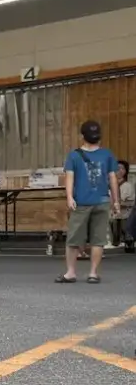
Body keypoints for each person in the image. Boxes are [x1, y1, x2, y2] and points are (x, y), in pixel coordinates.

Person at [55, 120, 120, 284]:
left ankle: (70, 273)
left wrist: (69, 197)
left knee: (73, 239)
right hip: (102, 201)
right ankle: (93, 273)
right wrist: (116, 200)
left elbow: (70, 177)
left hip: (81, 202)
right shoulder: (107, 154)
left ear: (82, 136)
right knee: (98, 240)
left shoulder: (74, 155)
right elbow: (112, 178)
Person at [110, 160, 134, 252]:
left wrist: (118, 204)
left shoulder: (128, 186)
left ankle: (127, 240)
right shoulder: (108, 185)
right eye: (117, 168)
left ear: (125, 171)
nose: (119, 171)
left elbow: (131, 203)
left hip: (124, 213)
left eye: (122, 168)